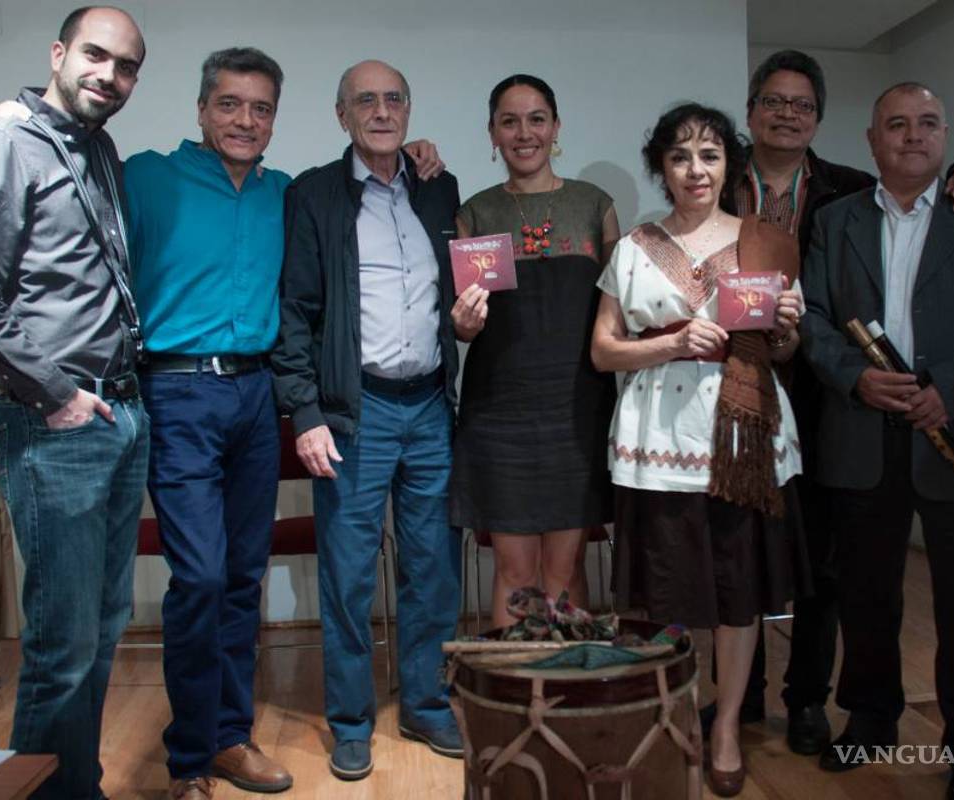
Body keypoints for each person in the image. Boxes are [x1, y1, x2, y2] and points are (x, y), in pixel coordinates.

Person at [714, 49, 954, 756]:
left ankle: (806, 697)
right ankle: (736, 696)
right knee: (733, 551)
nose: (787, 114)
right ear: (751, 112)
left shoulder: (850, 190)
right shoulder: (712, 181)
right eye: (773, 102)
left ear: (820, 119)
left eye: (802, 104)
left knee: (826, 564)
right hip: (722, 394)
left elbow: (922, 189)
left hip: (827, 402)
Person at [800, 82, 954, 800]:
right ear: (871, 141)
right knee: (867, 594)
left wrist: (952, 390)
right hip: (862, 432)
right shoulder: (835, 221)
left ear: (945, 137)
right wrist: (854, 379)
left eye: (927, 123)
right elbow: (810, 316)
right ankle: (870, 719)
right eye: (895, 125)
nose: (912, 136)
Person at [0, 7, 149, 798]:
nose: (110, 76)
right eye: (96, 55)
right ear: (59, 53)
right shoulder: (2, 143)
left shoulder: (97, 148)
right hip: (55, 419)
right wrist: (58, 395)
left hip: (121, 414)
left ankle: (75, 785)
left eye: (126, 66)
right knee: (63, 644)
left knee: (101, 629)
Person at [591, 102, 809, 798]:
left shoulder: (765, 241)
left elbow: (785, 349)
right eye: (681, 155)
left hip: (742, 442)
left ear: (729, 166)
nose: (696, 169)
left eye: (710, 155)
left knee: (738, 593)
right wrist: (672, 342)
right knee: (667, 593)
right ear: (662, 166)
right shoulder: (631, 247)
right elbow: (602, 351)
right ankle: (674, 717)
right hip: (658, 443)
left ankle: (725, 730)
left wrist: (787, 327)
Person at [272, 59, 463, 781]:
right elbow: (294, 311)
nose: (381, 111)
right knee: (350, 575)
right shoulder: (314, 194)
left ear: (409, 111)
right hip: (357, 412)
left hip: (431, 406)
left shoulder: (439, 188)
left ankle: (425, 702)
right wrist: (305, 411)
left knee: (432, 567)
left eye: (393, 100)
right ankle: (351, 720)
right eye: (365, 101)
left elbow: (466, 287)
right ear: (341, 114)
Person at [123, 48, 292, 800]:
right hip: (177, 391)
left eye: (260, 108)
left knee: (242, 578)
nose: (245, 120)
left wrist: (420, 157)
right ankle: (188, 758)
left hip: (257, 399)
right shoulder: (145, 177)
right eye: (229, 104)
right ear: (200, 109)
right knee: (197, 575)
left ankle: (229, 737)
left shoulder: (284, 193)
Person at [449, 74, 620, 626]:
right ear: (492, 134)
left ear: (556, 127)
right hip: (500, 411)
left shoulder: (595, 206)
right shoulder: (473, 213)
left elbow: (621, 307)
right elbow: (464, 326)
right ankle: (513, 701)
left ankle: (568, 702)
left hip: (577, 408)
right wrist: (464, 326)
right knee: (514, 571)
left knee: (566, 570)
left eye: (536, 118)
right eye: (509, 121)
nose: (524, 133)